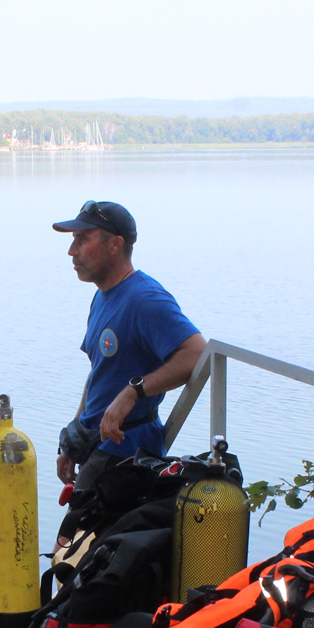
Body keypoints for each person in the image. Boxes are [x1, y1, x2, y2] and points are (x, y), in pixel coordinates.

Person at [52, 200, 206, 494]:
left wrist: (133, 392)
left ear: (115, 245)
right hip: (97, 445)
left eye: (82, 240)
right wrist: (75, 436)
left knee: (68, 539)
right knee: (75, 537)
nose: (72, 251)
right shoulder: (102, 297)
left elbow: (197, 353)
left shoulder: (145, 299)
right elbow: (100, 373)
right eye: (73, 241)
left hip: (127, 455)